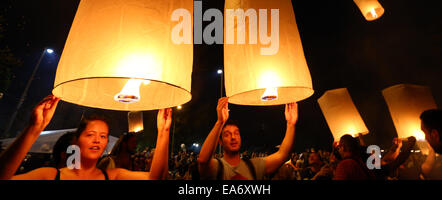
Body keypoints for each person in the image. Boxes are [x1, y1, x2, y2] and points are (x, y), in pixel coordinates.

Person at [0, 95, 172, 180]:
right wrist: (34, 128)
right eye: (90, 134)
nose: (97, 140)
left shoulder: (112, 175)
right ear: (76, 140)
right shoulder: (50, 175)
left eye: (103, 136)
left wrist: (163, 131)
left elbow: (156, 177)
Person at [197, 97, 298, 180]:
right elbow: (203, 160)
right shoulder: (217, 166)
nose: (233, 137)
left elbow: (283, 155)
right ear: (220, 142)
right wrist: (220, 122)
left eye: (236, 133)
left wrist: (291, 124)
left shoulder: (254, 166)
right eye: (227, 134)